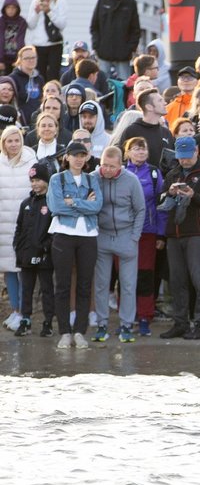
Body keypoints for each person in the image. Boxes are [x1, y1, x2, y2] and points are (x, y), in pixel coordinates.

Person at [158, 136, 200, 340]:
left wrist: (194, 195)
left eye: (187, 157)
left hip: (197, 233)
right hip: (175, 233)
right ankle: (181, 323)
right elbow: (160, 199)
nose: (184, 161)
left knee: (199, 279)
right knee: (177, 280)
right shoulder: (173, 173)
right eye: (181, 157)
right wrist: (170, 192)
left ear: (196, 152)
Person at [48, 141, 103, 349]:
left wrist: (74, 202)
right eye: (75, 155)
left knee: (84, 284)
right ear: (67, 157)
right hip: (63, 234)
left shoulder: (91, 179)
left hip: (88, 234)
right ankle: (64, 332)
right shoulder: (57, 179)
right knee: (62, 284)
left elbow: (97, 206)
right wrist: (84, 203)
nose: (79, 159)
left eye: (83, 155)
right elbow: (56, 206)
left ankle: (80, 331)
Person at [122, 137, 167, 337]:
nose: (140, 152)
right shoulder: (122, 172)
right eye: (136, 149)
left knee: (146, 275)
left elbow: (161, 205)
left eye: (143, 149)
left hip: (148, 232)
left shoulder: (154, 173)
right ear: (128, 152)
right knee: (125, 277)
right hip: (123, 232)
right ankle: (127, 317)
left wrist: (161, 233)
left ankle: (144, 316)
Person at [0, 127, 36, 330]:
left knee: (25, 272)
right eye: (9, 141)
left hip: (25, 227)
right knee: (9, 271)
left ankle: (25, 313)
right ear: (3, 143)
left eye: (16, 140)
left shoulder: (32, 161)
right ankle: (15, 311)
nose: (13, 144)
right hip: (4, 225)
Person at [14, 161, 54, 337]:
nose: (35, 184)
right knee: (27, 287)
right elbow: (19, 227)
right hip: (26, 253)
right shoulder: (26, 203)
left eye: (38, 180)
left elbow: (55, 230)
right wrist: (18, 246)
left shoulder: (52, 202)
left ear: (46, 180)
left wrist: (46, 247)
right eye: (32, 180)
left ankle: (48, 322)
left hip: (45, 254)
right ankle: (26, 320)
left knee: (46, 288)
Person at [89, 0, 140, 80]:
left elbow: (135, 29)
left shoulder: (130, 3)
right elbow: (94, 26)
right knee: (103, 82)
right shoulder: (102, 0)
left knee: (124, 84)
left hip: (123, 55)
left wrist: (130, 48)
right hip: (104, 53)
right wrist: (96, 46)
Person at [28, 0, 68, 83]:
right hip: (38, 45)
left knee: (53, 75)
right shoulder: (35, 2)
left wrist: (49, 12)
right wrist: (36, 13)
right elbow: (30, 25)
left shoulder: (60, 2)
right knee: (39, 75)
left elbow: (62, 24)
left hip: (55, 44)